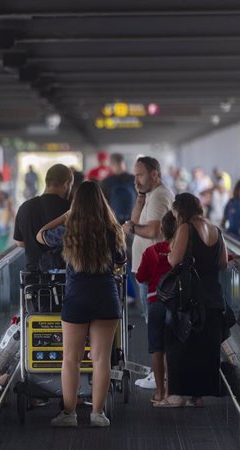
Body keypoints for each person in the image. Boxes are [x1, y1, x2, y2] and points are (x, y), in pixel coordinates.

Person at [36, 181, 126, 427]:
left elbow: (40, 236)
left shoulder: (69, 230)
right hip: (106, 296)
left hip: (77, 298)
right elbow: (121, 259)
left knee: (71, 359)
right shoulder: (112, 229)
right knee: (101, 359)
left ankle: (69, 414)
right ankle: (98, 414)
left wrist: (64, 216)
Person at [154, 193, 228, 408]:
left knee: (178, 340)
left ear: (181, 211)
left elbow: (175, 260)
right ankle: (196, 397)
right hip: (212, 295)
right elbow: (222, 262)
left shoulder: (186, 227)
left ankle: (176, 395)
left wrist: (169, 253)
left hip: (189, 295)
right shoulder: (215, 229)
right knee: (204, 346)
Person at [123, 156, 175, 323]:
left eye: (140, 175)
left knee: (156, 325)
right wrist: (139, 200)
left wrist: (130, 228)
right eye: (135, 176)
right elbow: (136, 220)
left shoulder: (159, 196)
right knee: (152, 322)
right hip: (147, 269)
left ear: (154, 174)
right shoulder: (149, 195)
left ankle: (161, 350)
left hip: (154, 271)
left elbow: (153, 230)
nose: (136, 180)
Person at [135, 211, 176, 403]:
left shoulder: (151, 251)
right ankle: (174, 392)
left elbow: (140, 277)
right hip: (177, 304)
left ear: (162, 229)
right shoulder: (181, 251)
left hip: (155, 303)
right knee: (176, 348)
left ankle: (160, 393)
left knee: (158, 350)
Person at [13, 164, 73, 271]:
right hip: (62, 278)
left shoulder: (25, 207)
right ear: (66, 184)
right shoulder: (71, 209)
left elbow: (20, 242)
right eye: (71, 185)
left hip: (32, 278)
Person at [101, 153, 137, 224]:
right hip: (132, 221)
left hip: (113, 220)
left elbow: (103, 202)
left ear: (111, 164)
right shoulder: (133, 179)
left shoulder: (107, 181)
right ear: (123, 163)